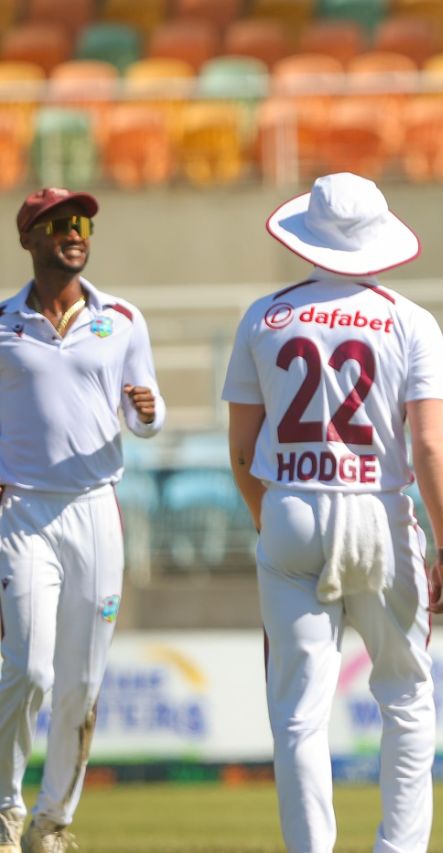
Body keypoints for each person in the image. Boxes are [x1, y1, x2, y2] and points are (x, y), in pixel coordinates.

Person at [223, 172, 443, 853]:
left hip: (290, 505)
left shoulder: (264, 316)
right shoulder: (409, 320)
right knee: (407, 701)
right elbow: (428, 442)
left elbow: (242, 451)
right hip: (378, 513)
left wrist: (271, 517)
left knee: (299, 717)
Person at [0, 187, 163, 853]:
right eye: (59, 225)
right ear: (30, 239)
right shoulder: (3, 321)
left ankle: (51, 823)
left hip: (96, 507)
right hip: (23, 510)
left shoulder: (121, 318)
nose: (75, 233)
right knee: (28, 670)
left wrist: (148, 412)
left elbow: (145, 419)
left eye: (82, 223)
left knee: (82, 681)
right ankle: (6, 809)